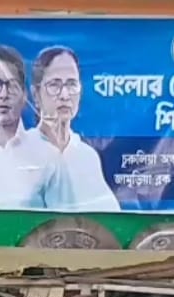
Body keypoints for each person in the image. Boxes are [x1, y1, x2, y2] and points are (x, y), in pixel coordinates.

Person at [0, 45, 66, 209]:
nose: (3, 94)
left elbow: (61, 217)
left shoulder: (48, 155)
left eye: (12, 85)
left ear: (24, 96)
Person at [26, 46, 121, 212]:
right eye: (54, 85)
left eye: (71, 84)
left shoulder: (87, 157)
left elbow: (109, 215)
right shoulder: (22, 150)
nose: (64, 95)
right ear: (35, 94)